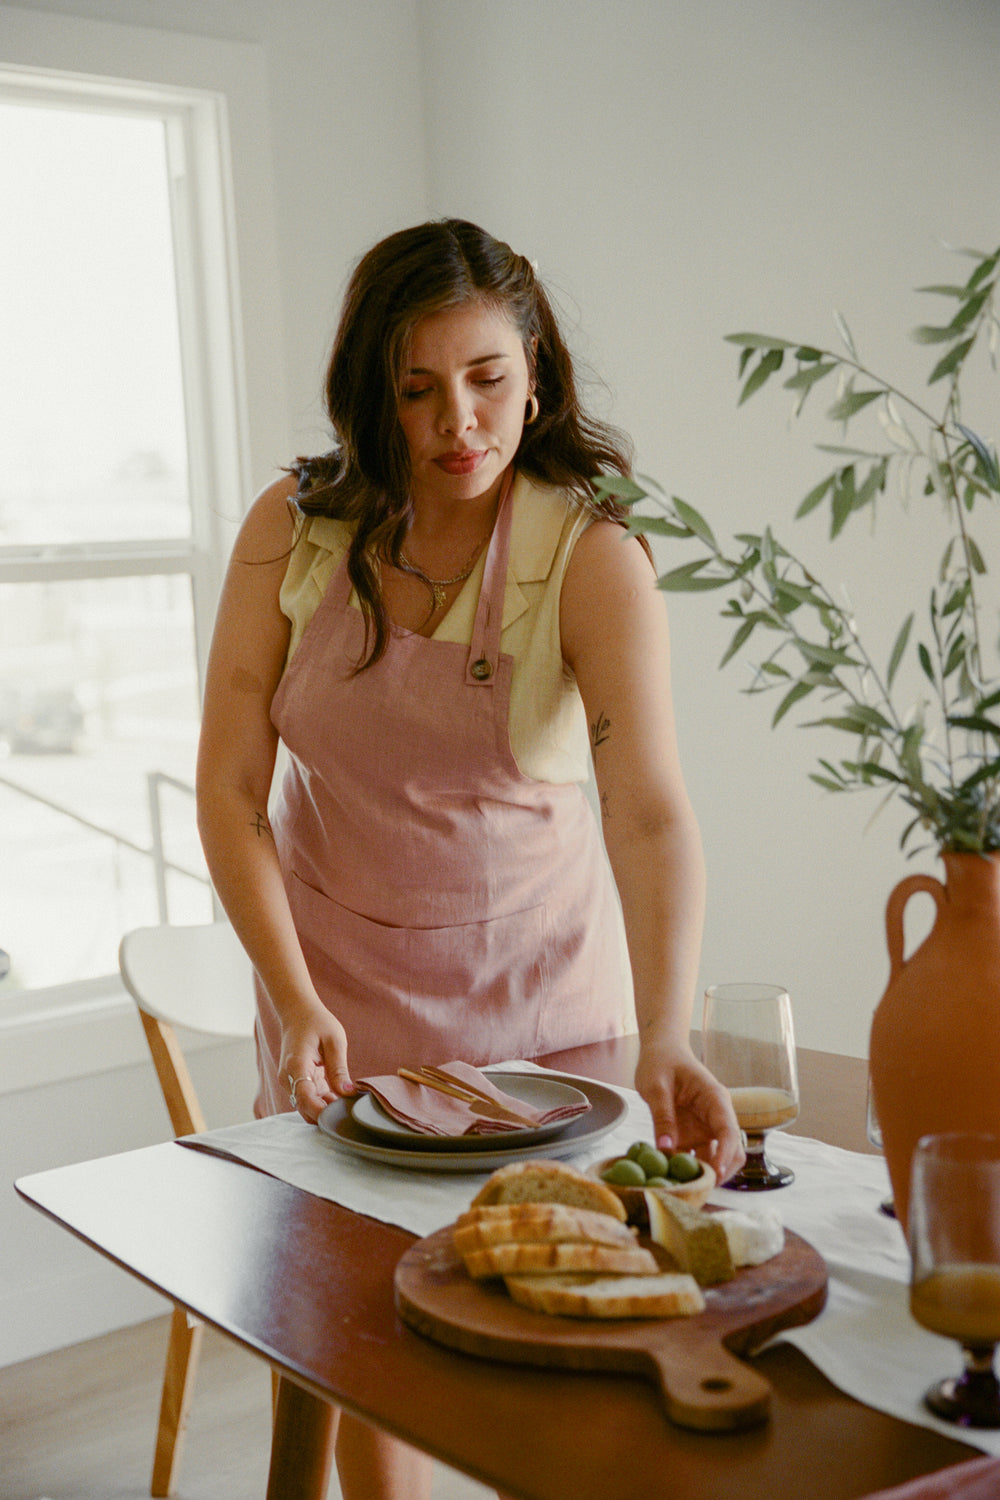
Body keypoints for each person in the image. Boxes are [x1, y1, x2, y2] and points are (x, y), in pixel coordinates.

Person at [196, 217, 743, 1500]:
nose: (460, 421)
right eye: (418, 388)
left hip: (538, 1023)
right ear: (367, 398)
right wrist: (291, 994)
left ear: (535, 371)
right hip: (331, 1001)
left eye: (489, 378)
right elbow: (230, 792)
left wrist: (665, 1033)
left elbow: (650, 816)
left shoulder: (591, 558)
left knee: (542, 1351)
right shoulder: (294, 528)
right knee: (360, 1338)